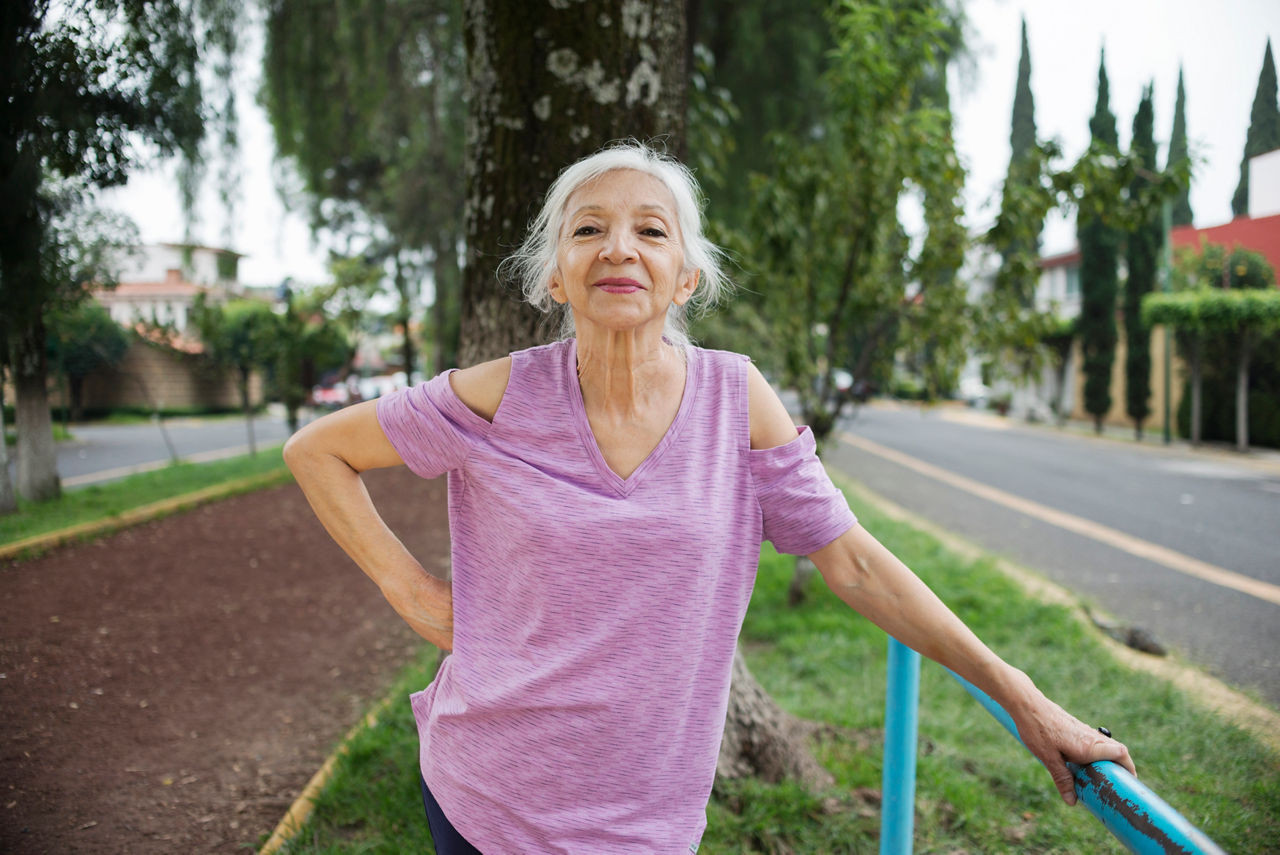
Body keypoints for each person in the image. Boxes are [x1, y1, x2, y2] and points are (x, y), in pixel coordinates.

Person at [283, 141, 1135, 854]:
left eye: (650, 231)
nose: (620, 248)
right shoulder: (500, 396)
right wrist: (419, 595)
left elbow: (853, 559)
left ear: (685, 278)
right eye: (589, 230)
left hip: (650, 818)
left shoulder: (738, 400)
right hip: (489, 795)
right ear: (555, 277)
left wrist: (1021, 695)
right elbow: (318, 450)